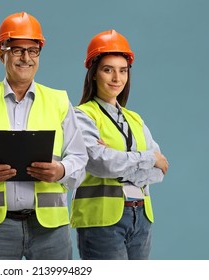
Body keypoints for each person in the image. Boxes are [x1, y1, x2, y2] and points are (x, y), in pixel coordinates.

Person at [0, 11, 88, 260]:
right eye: (17, 50)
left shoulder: (59, 101)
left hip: (50, 231)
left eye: (32, 50)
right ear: (2, 53)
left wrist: (62, 171)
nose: (26, 58)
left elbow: (79, 156)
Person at [70, 29, 169, 260]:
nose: (117, 78)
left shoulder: (135, 119)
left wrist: (120, 161)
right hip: (102, 221)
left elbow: (160, 170)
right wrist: (147, 158)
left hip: (141, 217)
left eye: (122, 71)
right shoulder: (82, 116)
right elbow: (102, 164)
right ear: (94, 74)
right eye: (108, 70)